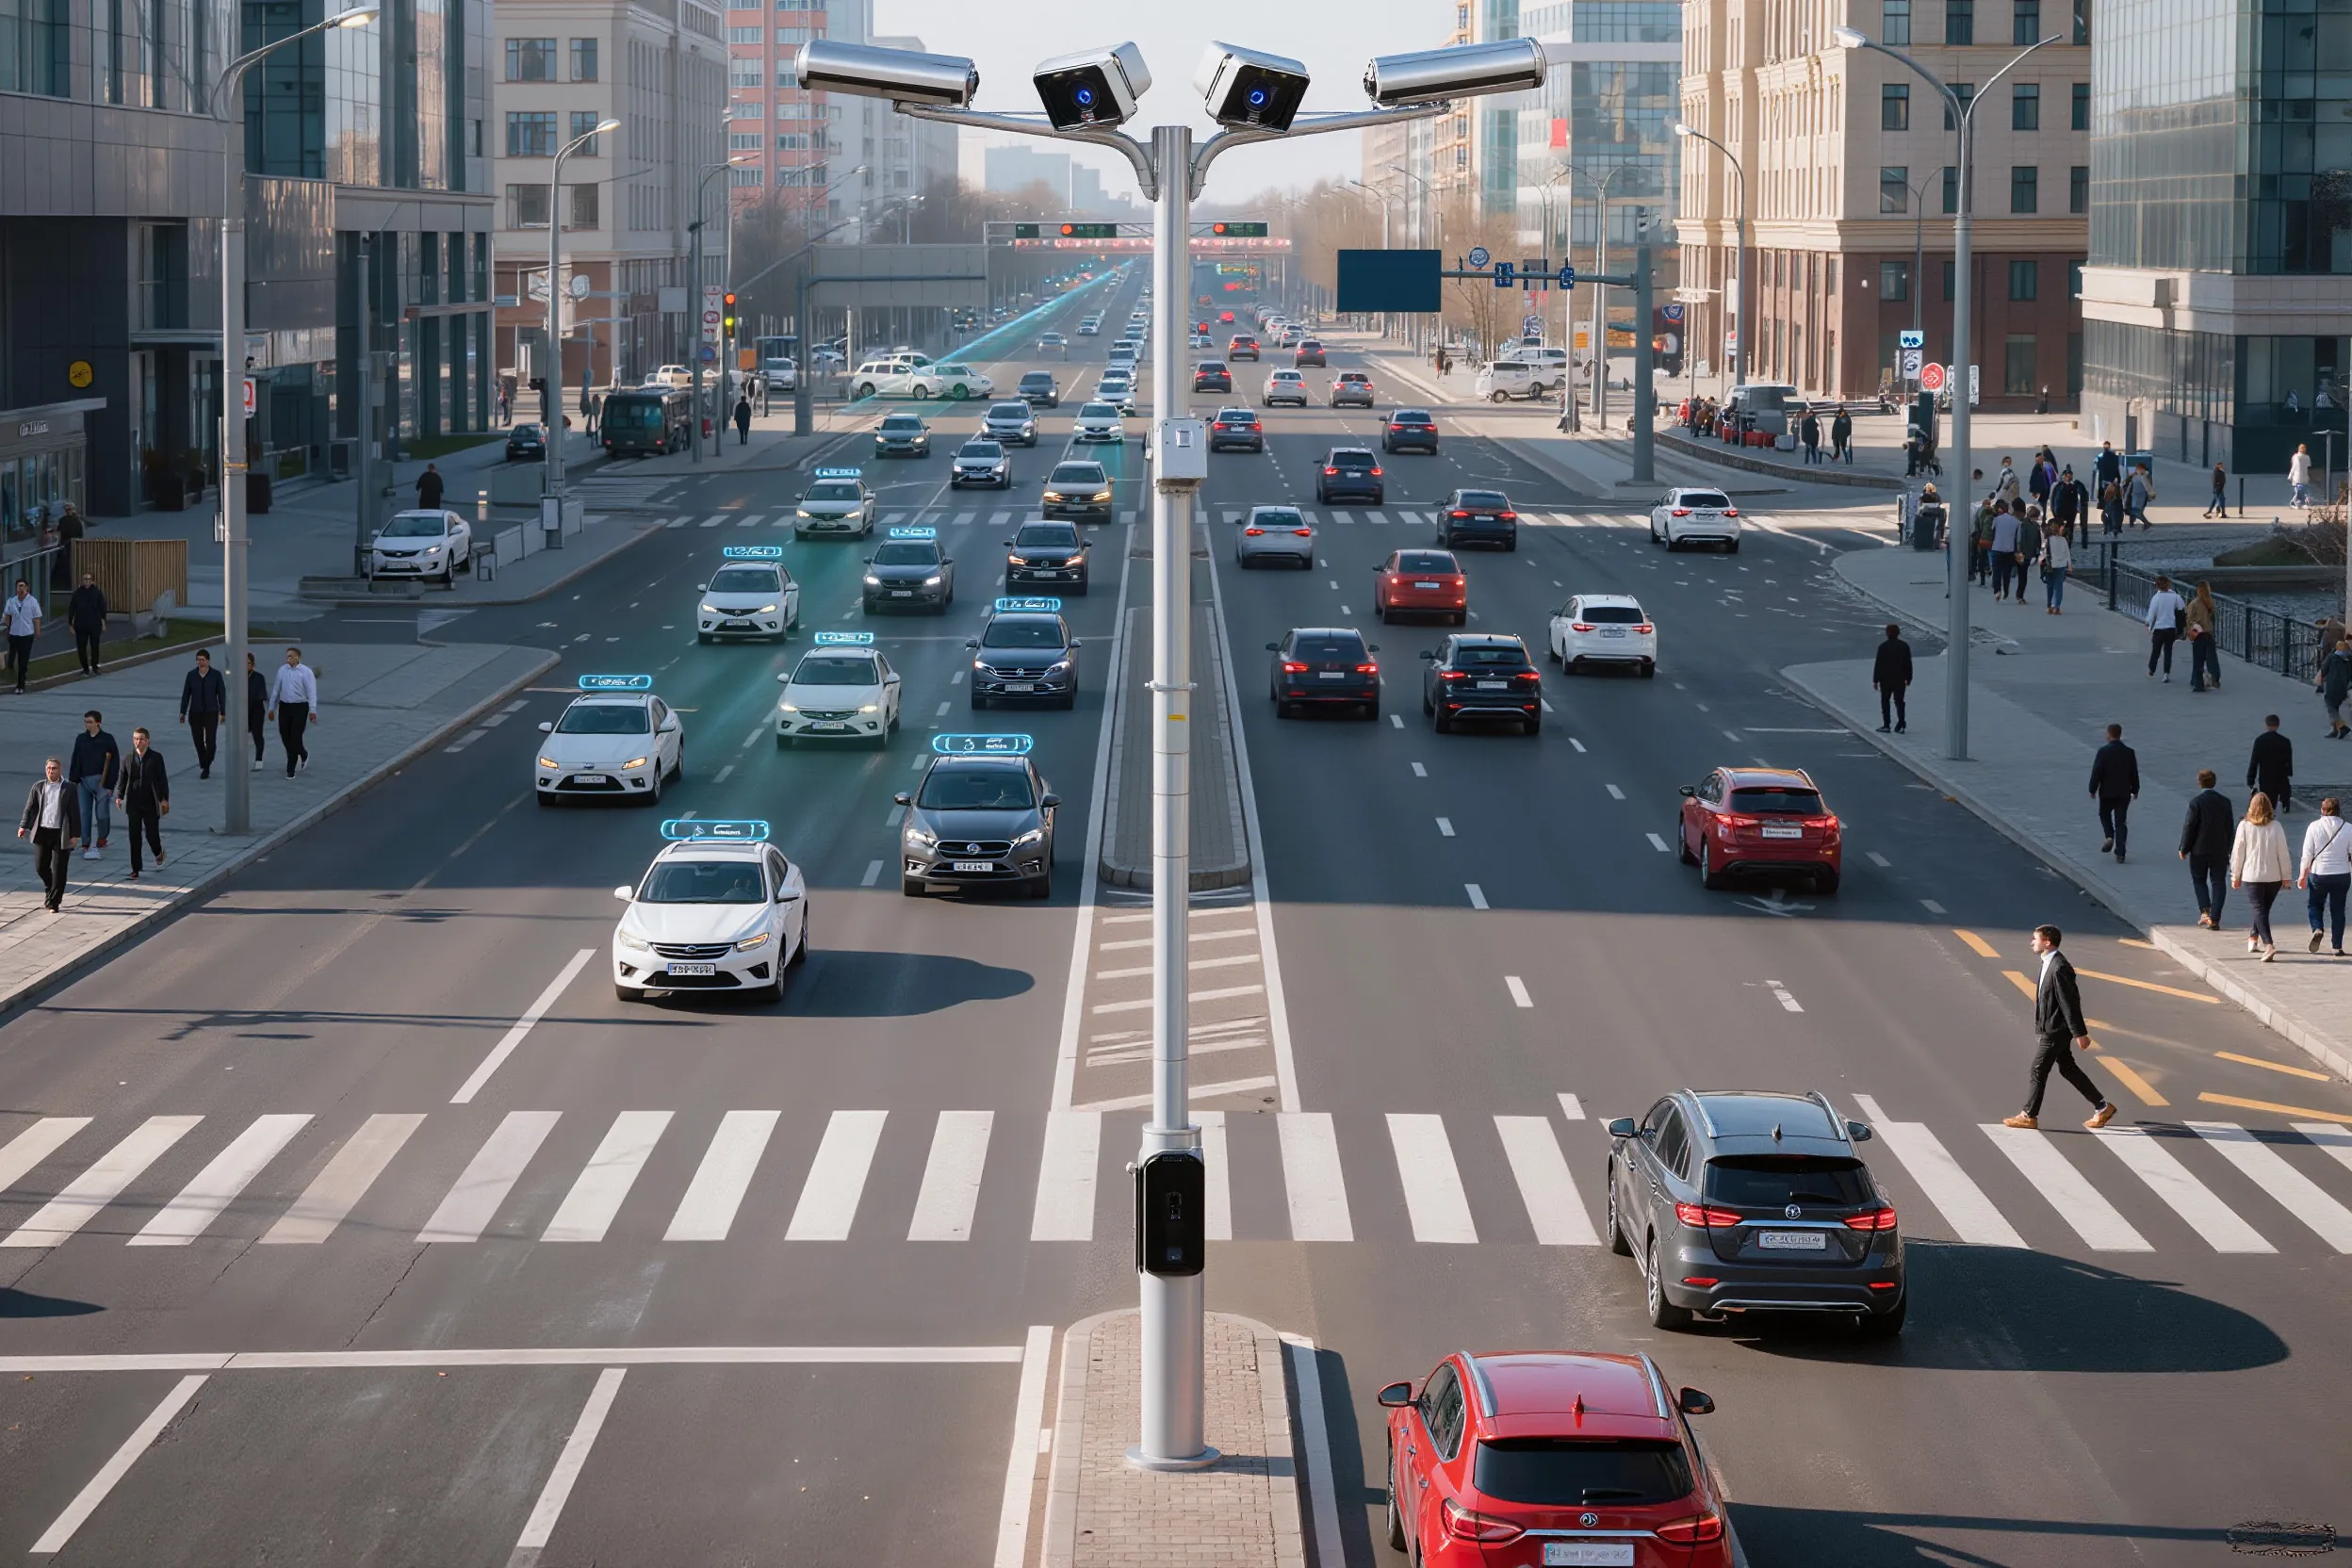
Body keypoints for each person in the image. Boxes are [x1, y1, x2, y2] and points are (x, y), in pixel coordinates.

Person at [2001, 925, 2116, 1132]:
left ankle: (2029, 1115)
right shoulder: (2048, 963)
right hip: (2050, 1027)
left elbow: (2069, 1002)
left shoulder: (2059, 966)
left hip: (2055, 1030)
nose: (2032, 942)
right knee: (2068, 1068)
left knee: (2038, 1069)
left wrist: (2079, 1033)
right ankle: (2102, 1107)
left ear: (2047, 942)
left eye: (2035, 939)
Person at [2231, 791, 2295, 961]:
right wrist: (2286, 876)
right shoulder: (2276, 826)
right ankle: (2253, 937)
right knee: (2263, 910)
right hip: (2273, 876)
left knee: (2258, 909)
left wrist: (2235, 875)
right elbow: (2283, 853)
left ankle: (2269, 945)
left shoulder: (2244, 826)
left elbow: (2238, 853)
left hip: (2252, 876)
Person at [16, 756, 81, 912]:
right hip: (43, 832)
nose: (51, 771)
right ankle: (51, 888)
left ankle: (54, 902)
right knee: (41, 867)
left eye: (54, 768)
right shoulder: (38, 787)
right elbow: (30, 808)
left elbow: (75, 812)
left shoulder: (69, 787)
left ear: (60, 770)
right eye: (48, 769)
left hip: (61, 833)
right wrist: (23, 826)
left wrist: (75, 834)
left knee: (59, 869)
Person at [2180, 769, 2234, 928]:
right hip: (2220, 849)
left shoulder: (2196, 803)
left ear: (2199, 783)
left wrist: (2184, 848)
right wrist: (2231, 849)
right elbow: (2229, 828)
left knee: (2199, 879)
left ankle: (2205, 911)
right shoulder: (2225, 802)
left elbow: (2190, 827)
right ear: (2214, 782)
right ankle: (2215, 918)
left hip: (2199, 849)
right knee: (2218, 882)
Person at [115, 726, 168, 880]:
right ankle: (135, 868)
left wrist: (164, 798)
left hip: (150, 801)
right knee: (134, 835)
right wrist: (119, 796)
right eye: (136, 739)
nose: (138, 742)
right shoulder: (128, 758)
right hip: (133, 802)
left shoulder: (156, 758)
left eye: (141, 739)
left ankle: (158, 852)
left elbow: (162, 780)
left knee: (152, 834)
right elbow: (123, 777)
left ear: (147, 741)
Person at [2301, 796, 2350, 956]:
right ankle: (2337, 946)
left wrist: (2302, 874)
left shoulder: (2314, 827)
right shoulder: (2348, 828)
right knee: (2338, 910)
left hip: (2319, 873)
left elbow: (2307, 854)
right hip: (2342, 874)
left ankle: (2317, 928)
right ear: (2339, 811)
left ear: (2322, 811)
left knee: (2315, 904)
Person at [68, 710, 119, 861]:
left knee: (102, 814)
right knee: (84, 813)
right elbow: (75, 760)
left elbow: (114, 763)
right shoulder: (81, 739)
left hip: (102, 782)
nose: (87, 725)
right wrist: (73, 782)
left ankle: (102, 837)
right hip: (84, 781)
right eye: (85, 722)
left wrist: (110, 785)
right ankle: (86, 842)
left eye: (90, 722)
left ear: (98, 722)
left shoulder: (107, 739)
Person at [2090, 722, 2139, 860]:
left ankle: (2109, 836)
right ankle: (2121, 852)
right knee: (2121, 821)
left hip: (2107, 792)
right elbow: (2134, 773)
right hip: (2123, 793)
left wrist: (2092, 789)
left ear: (2108, 734)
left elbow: (2097, 772)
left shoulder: (2103, 752)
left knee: (2104, 814)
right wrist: (2135, 789)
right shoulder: (2129, 752)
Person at [269, 645, 318, 776]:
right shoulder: (282, 670)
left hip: (300, 707)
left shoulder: (306, 672)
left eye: (291, 656)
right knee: (285, 734)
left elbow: (311, 692)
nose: (288, 658)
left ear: (298, 657)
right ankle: (303, 753)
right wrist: (271, 708)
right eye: (287, 656)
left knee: (295, 736)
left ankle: (290, 768)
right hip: (285, 706)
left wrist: (312, 710)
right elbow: (276, 690)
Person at [178, 647, 226, 779]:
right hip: (196, 713)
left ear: (208, 661)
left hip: (211, 712)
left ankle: (207, 762)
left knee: (210, 742)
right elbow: (186, 695)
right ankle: (205, 767)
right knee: (198, 741)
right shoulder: (191, 675)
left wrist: (223, 712)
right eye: (198, 660)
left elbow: (221, 694)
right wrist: (182, 712)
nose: (200, 662)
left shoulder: (216, 675)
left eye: (203, 660)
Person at [2248, 713, 2295, 815]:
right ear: (2278, 725)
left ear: (2266, 725)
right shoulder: (2285, 741)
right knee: (2284, 789)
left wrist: (2251, 778)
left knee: (2268, 796)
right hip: (2281, 774)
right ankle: (2285, 803)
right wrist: (2289, 772)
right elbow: (2288, 758)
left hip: (2265, 775)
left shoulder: (2260, 740)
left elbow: (2254, 761)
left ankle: (2270, 811)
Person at [1871, 622, 1913, 733]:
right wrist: (1909, 678)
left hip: (1886, 679)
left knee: (1885, 701)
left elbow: (1879, 664)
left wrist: (1875, 680)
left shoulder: (1883, 647)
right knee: (1899, 701)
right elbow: (1908, 663)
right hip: (1900, 678)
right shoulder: (1904, 646)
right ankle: (1901, 723)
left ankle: (1886, 725)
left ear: (1887, 634)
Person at [2144, 574, 2186, 681]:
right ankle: (2166, 673)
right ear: (2168, 585)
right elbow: (2182, 609)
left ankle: (2151, 670)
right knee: (2168, 651)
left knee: (2156, 651)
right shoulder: (2175, 596)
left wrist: (2148, 623)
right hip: (2171, 629)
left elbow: (2151, 614)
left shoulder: (2156, 598)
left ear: (2157, 586)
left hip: (2159, 628)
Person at [65, 569, 106, 676]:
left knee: (95, 646)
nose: (87, 581)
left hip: (94, 624)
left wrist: (103, 623)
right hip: (81, 624)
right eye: (85, 579)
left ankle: (95, 666)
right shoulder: (78, 593)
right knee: (81, 647)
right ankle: (85, 668)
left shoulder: (97, 593)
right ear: (82, 581)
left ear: (92, 581)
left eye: (89, 579)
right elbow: (72, 608)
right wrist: (70, 624)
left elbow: (102, 608)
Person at [3, 576, 37, 694]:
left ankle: (20, 685)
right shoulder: (11, 601)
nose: (20, 588)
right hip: (14, 633)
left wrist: (37, 631)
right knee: (13, 651)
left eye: (22, 586)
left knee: (23, 659)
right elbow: (7, 615)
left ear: (27, 588)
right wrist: (8, 627)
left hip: (27, 634)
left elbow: (37, 618)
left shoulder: (32, 601)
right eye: (18, 586)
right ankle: (10, 664)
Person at [2185, 581, 2221, 691]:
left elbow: (2189, 619)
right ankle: (2215, 677)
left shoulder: (2194, 603)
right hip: (2208, 634)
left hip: (2198, 634)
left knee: (2198, 661)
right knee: (2211, 659)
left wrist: (2189, 630)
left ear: (2198, 590)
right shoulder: (2210, 603)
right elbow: (2214, 618)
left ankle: (2198, 684)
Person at [1988, 501, 2024, 601]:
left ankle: (1997, 591)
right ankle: (2006, 591)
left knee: (1996, 572)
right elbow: (2018, 539)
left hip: (1997, 548)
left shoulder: (1996, 520)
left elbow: (1992, 532)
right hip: (2009, 550)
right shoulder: (2016, 522)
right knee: (2006, 573)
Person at [2319, 636, 2352, 740]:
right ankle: (2334, 730)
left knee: (2330, 706)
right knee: (2335, 707)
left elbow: (2323, 670)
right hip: (2343, 687)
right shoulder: (2349, 659)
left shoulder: (2331, 657)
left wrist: (2319, 683)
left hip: (2332, 686)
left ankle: (2341, 727)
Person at [2050, 465, 2088, 547]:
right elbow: (2053, 501)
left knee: (2068, 530)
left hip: (2068, 513)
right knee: (2065, 530)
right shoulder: (2060, 486)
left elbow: (2053, 501)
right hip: (2063, 513)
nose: (2068, 477)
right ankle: (2064, 545)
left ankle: (2067, 546)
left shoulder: (2071, 486)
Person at [244, 651, 269, 769]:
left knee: (257, 735)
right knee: (239, 736)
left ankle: (259, 759)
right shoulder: (235, 677)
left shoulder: (259, 677)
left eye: (248, 663)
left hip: (256, 710)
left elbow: (262, 695)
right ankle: (239, 759)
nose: (245, 665)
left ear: (252, 665)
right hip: (241, 711)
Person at [2040, 519, 2072, 612]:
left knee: (2049, 586)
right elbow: (2067, 554)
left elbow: (2043, 552)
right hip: (2061, 566)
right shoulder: (2063, 540)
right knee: (2059, 587)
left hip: (2050, 565)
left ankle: (2049, 606)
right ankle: (2057, 606)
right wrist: (2069, 566)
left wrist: (2041, 562)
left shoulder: (2047, 540)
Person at [2124, 463, 2154, 529]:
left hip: (2138, 496)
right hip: (2135, 496)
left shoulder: (2144, 476)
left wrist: (2151, 496)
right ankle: (2132, 525)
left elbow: (2148, 487)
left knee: (2135, 511)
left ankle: (2146, 523)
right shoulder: (2138, 475)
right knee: (2133, 511)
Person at [2290, 442, 2312, 508]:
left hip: (2303, 477)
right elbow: (2294, 467)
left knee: (2301, 491)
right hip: (2298, 477)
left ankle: (2299, 503)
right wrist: (2291, 476)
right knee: (2299, 491)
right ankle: (2294, 503)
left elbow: (2307, 467)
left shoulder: (2306, 457)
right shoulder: (2296, 457)